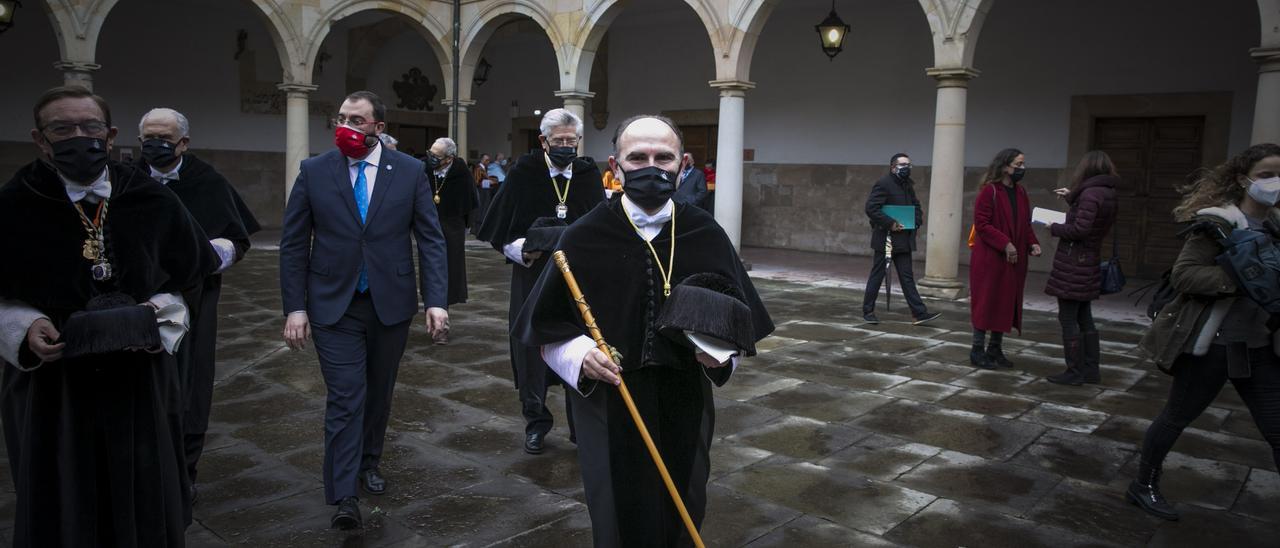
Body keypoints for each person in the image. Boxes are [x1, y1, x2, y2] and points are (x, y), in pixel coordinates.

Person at [513, 115, 773, 546]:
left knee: (684, 504)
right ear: (615, 165)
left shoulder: (705, 232)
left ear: (682, 163)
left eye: (663, 157)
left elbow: (737, 322)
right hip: (610, 400)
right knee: (618, 510)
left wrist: (721, 354)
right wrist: (579, 354)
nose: (651, 167)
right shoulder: (583, 235)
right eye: (638, 157)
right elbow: (545, 327)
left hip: (684, 395)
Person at [0, 86, 219, 546]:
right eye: (63, 129)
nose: (79, 137)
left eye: (90, 127)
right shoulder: (15, 203)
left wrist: (154, 316)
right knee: (63, 504)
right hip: (54, 389)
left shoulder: (149, 198)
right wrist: (25, 326)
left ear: (110, 133)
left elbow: (190, 278)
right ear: (41, 140)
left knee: (144, 497)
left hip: (140, 381)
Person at [279, 90, 449, 530]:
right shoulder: (314, 171)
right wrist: (294, 308)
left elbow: (430, 239)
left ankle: (369, 461)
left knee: (378, 392)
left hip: (389, 302)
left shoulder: (409, 171)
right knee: (345, 396)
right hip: (333, 304)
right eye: (341, 118)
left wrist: (436, 301)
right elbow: (294, 242)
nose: (346, 127)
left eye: (356, 120)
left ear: (378, 127)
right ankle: (343, 495)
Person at [1131, 143, 1280, 521]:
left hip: (1257, 345)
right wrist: (1241, 278)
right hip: (1212, 344)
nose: (1275, 182)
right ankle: (1142, 484)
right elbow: (1184, 275)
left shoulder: (1276, 226)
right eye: (1266, 175)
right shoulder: (1218, 224)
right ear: (1243, 180)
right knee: (1176, 417)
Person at [136, 107, 262, 501]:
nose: (155, 146)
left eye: (164, 138)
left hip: (194, 301)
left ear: (183, 143)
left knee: (191, 387)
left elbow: (236, 240)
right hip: (137, 303)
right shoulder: (125, 182)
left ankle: (184, 471)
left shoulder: (207, 181)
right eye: (148, 139)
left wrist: (204, 254)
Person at [477, 108, 603, 454]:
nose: (566, 146)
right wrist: (521, 250)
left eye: (571, 140)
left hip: (578, 278)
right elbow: (497, 226)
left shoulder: (589, 173)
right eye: (559, 140)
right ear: (543, 141)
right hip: (533, 275)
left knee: (582, 347)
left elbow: (601, 224)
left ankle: (582, 428)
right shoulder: (524, 171)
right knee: (531, 348)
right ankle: (536, 421)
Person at [1039, 151, 1118, 385]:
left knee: (1068, 318)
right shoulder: (1107, 192)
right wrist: (1072, 197)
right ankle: (1091, 369)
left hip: (1074, 262)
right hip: (1089, 260)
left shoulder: (1090, 194)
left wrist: (1054, 227)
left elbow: (1080, 230)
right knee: (1085, 317)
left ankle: (1074, 371)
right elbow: (1091, 221)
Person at [969, 148, 1042, 369]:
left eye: (1023, 164)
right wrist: (1005, 243)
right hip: (991, 258)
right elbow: (982, 224)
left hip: (1014, 259)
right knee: (986, 301)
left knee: (1006, 302)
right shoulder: (988, 191)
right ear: (1004, 167)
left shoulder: (1020, 193)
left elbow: (1025, 223)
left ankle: (995, 348)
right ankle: (977, 350)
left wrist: (1033, 242)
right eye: (1018, 164)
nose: (1022, 168)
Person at [861, 153, 941, 326]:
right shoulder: (883, 184)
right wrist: (890, 223)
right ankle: (868, 311)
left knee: (907, 277)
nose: (906, 168)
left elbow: (916, 206)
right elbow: (871, 208)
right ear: (893, 167)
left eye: (909, 165)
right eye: (903, 164)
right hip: (886, 239)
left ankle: (919, 313)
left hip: (904, 240)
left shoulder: (907, 185)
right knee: (877, 275)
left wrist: (916, 221)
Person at [427, 137, 480, 314]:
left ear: (449, 158)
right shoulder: (425, 168)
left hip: (452, 226)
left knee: (450, 267)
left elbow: (469, 201)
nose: (431, 158)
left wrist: (466, 226)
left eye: (436, 156)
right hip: (428, 223)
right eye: (430, 154)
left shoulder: (461, 172)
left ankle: (444, 308)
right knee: (429, 267)